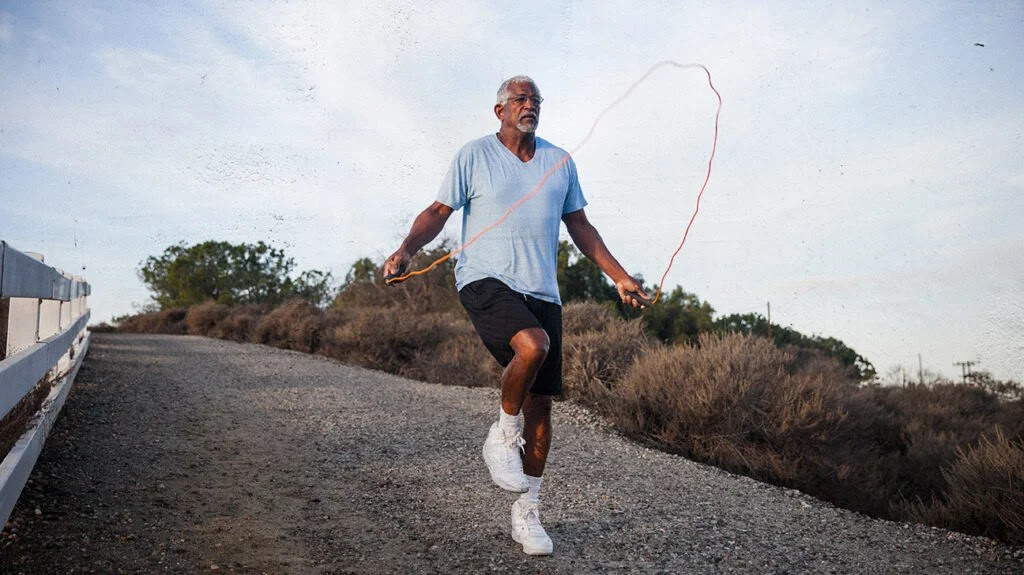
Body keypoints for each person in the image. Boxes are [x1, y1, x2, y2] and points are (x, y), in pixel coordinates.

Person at [383, 75, 648, 556]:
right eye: (520, 99)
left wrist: (620, 276)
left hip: (543, 289)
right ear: (499, 110)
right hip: (485, 278)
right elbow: (439, 211)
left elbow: (580, 226)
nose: (530, 106)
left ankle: (527, 512)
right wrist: (406, 249)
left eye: (536, 100)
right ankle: (501, 436)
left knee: (542, 406)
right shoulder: (475, 155)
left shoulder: (559, 161)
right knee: (533, 344)